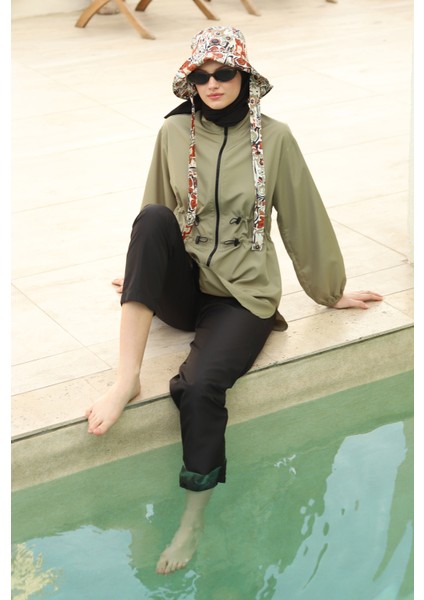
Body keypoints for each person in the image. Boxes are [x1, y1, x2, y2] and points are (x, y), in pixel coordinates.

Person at [85, 25, 383, 575]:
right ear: (190, 83)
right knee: (151, 219)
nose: (213, 84)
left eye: (224, 73)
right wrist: (143, 271)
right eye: (201, 77)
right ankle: (126, 379)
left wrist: (330, 292)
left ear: (245, 76)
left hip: (242, 297)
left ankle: (193, 516)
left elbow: (304, 218)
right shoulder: (173, 132)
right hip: (186, 284)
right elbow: (155, 210)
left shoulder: (277, 138)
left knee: (200, 387)